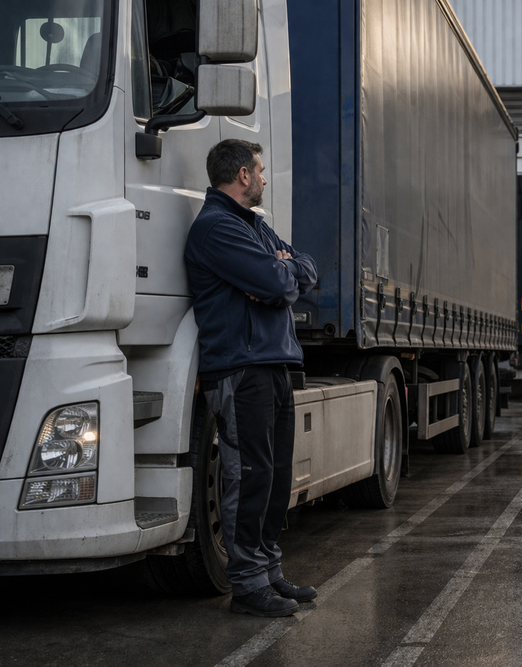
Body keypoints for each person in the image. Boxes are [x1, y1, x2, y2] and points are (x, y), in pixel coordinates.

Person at [185, 139, 318, 617]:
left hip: (275, 362)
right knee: (249, 475)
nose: (263, 177)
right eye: (259, 170)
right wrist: (278, 276)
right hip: (241, 369)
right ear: (242, 175)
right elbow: (278, 281)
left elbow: (305, 268)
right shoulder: (216, 228)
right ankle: (246, 585)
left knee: (275, 477)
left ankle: (269, 571)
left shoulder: (254, 227)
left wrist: (282, 273)